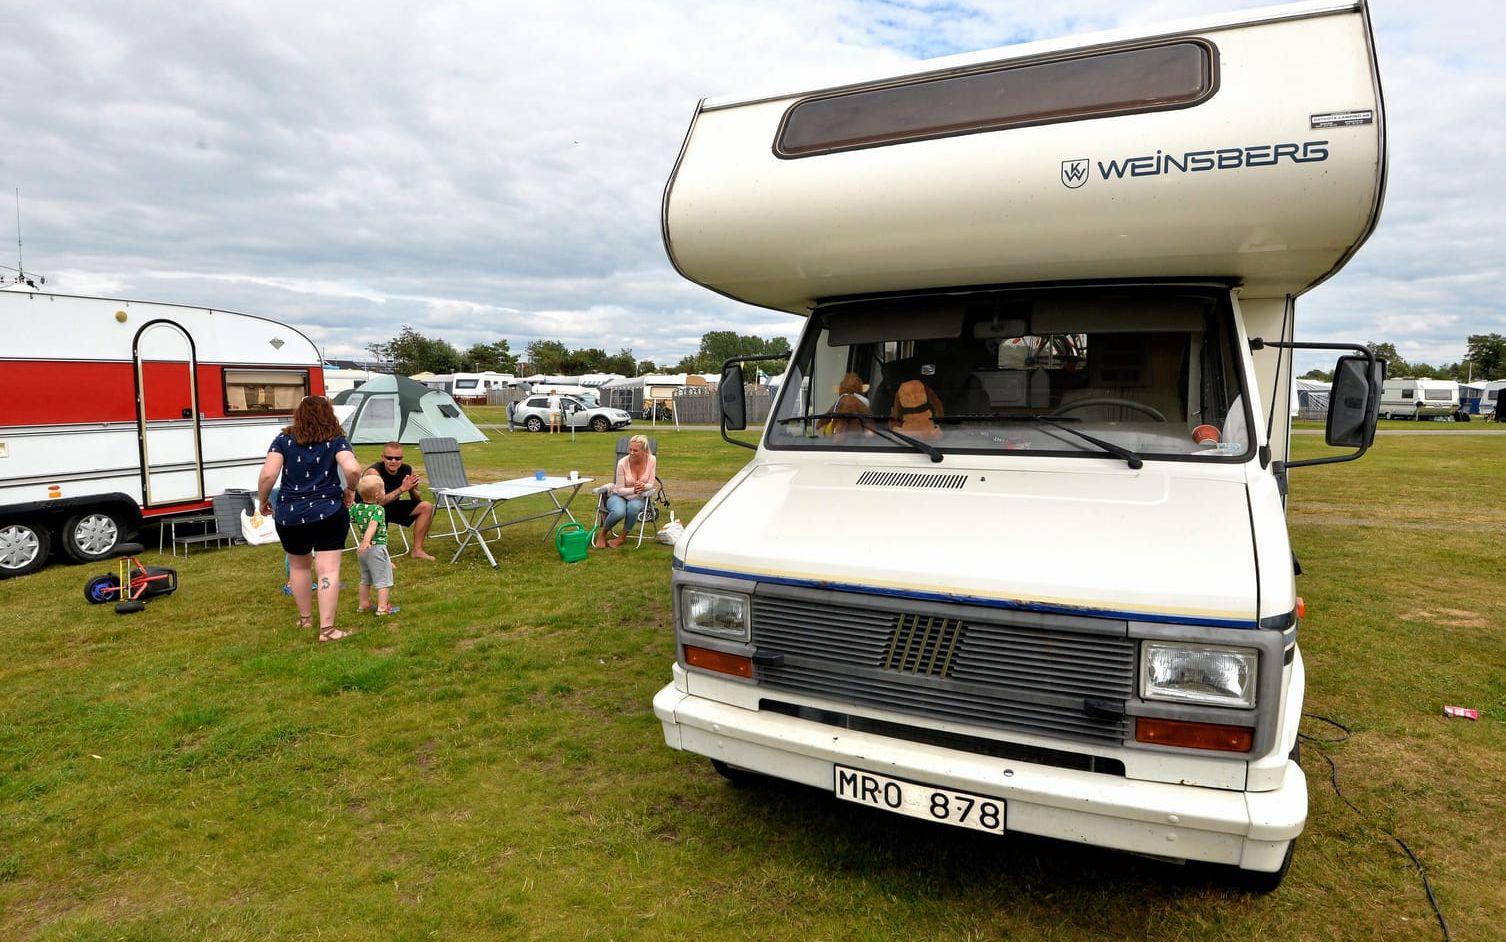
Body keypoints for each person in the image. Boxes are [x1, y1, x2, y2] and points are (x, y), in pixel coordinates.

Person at [257, 396, 362, 643]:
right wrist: (351, 489)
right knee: (328, 569)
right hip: (328, 512)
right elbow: (354, 469)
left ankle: (305, 620)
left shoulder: (283, 439)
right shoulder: (337, 440)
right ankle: (327, 630)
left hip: (290, 515)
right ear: (329, 414)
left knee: (298, 566)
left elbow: (268, 475)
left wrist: (263, 501)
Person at [361, 442, 438, 560]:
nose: (393, 461)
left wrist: (412, 488)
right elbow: (376, 503)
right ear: (382, 457)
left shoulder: (406, 469)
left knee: (426, 506)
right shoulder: (374, 472)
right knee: (379, 510)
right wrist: (402, 489)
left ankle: (417, 550)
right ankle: (377, 555)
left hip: (391, 506)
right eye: (389, 458)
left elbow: (416, 499)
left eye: (398, 458)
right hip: (369, 510)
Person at [595, 434, 656, 548]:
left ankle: (622, 537)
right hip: (619, 495)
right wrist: (634, 489)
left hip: (639, 496)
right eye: (630, 449)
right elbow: (619, 489)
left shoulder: (652, 460)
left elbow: (651, 484)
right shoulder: (622, 463)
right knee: (619, 512)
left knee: (633, 508)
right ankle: (602, 534)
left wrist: (643, 486)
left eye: (635, 450)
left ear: (644, 451)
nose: (631, 453)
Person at [351, 476, 399, 616]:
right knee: (383, 580)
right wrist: (367, 541)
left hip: (363, 552)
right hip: (376, 547)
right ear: (378, 494)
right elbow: (373, 525)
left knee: (366, 578)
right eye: (383, 488)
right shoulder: (378, 510)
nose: (385, 490)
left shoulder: (357, 507)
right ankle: (382, 608)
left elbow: (349, 517)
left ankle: (364, 604)